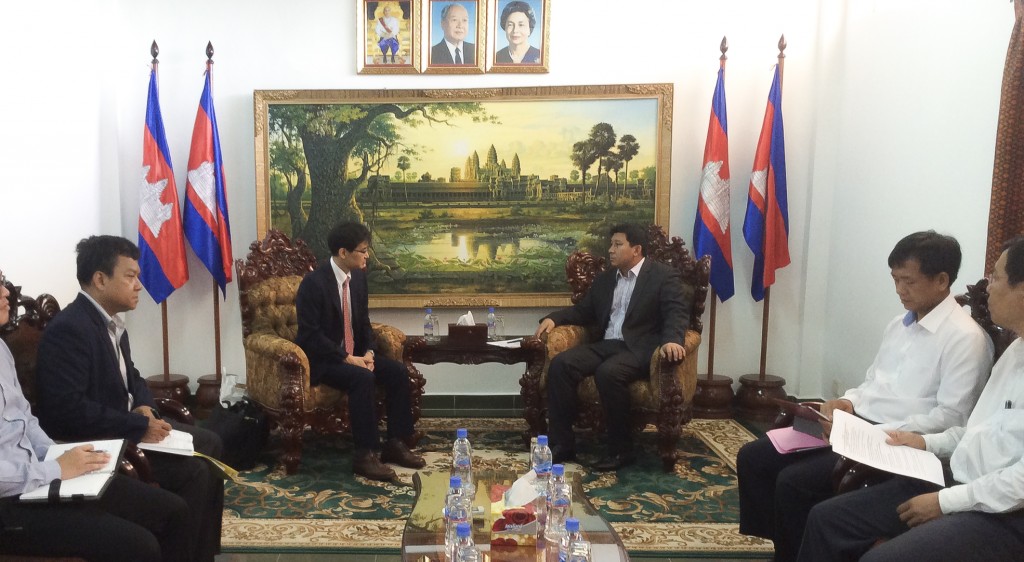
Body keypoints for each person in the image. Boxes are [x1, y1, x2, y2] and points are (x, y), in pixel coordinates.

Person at [736, 230, 994, 562]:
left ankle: (793, 553)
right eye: (895, 279)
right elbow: (873, 382)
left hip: (891, 441)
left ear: (941, 280)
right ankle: (785, 542)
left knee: (792, 482)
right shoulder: (898, 326)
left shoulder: (965, 339)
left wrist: (872, 430)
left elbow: (950, 417)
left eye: (908, 281)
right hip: (854, 423)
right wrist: (847, 402)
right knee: (755, 456)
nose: (899, 290)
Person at [797, 235, 1024, 561]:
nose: (987, 287)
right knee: (825, 516)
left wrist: (945, 502)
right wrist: (924, 443)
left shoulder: (967, 339)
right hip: (952, 476)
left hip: (1002, 512)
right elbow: (974, 431)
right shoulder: (1015, 350)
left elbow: (1018, 481)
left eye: (997, 278)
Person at [34, 236, 224, 562]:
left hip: (126, 426)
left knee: (211, 442)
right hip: (98, 440)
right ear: (99, 279)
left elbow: (133, 376)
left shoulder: (111, 322)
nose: (138, 285)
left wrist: (145, 405)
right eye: (130, 276)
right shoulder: (71, 329)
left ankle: (202, 551)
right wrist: (138, 426)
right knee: (196, 472)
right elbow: (68, 410)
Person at [0, 269, 190, 562]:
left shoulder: (1, 349)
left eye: (2, 282)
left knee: (174, 511)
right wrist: (56, 469)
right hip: (10, 503)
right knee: (140, 545)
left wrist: (57, 453)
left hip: (39, 476)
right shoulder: (71, 328)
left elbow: (25, 419)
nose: (5, 293)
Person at [534, 223, 689, 471]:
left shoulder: (662, 276)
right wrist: (555, 318)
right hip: (607, 344)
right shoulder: (606, 279)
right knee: (561, 365)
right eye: (611, 244)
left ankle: (620, 450)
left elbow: (676, 313)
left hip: (639, 349)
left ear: (636, 249)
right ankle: (561, 444)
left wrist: (673, 339)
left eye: (618, 244)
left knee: (609, 372)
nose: (610, 250)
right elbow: (583, 311)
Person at [295, 221, 425, 481]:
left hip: (355, 355)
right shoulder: (313, 284)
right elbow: (310, 335)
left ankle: (395, 444)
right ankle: (365, 455)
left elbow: (363, 322)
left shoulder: (358, 279)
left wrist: (368, 353)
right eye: (363, 251)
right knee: (362, 378)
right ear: (343, 253)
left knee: (397, 372)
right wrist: (346, 357)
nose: (367, 256)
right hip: (325, 360)